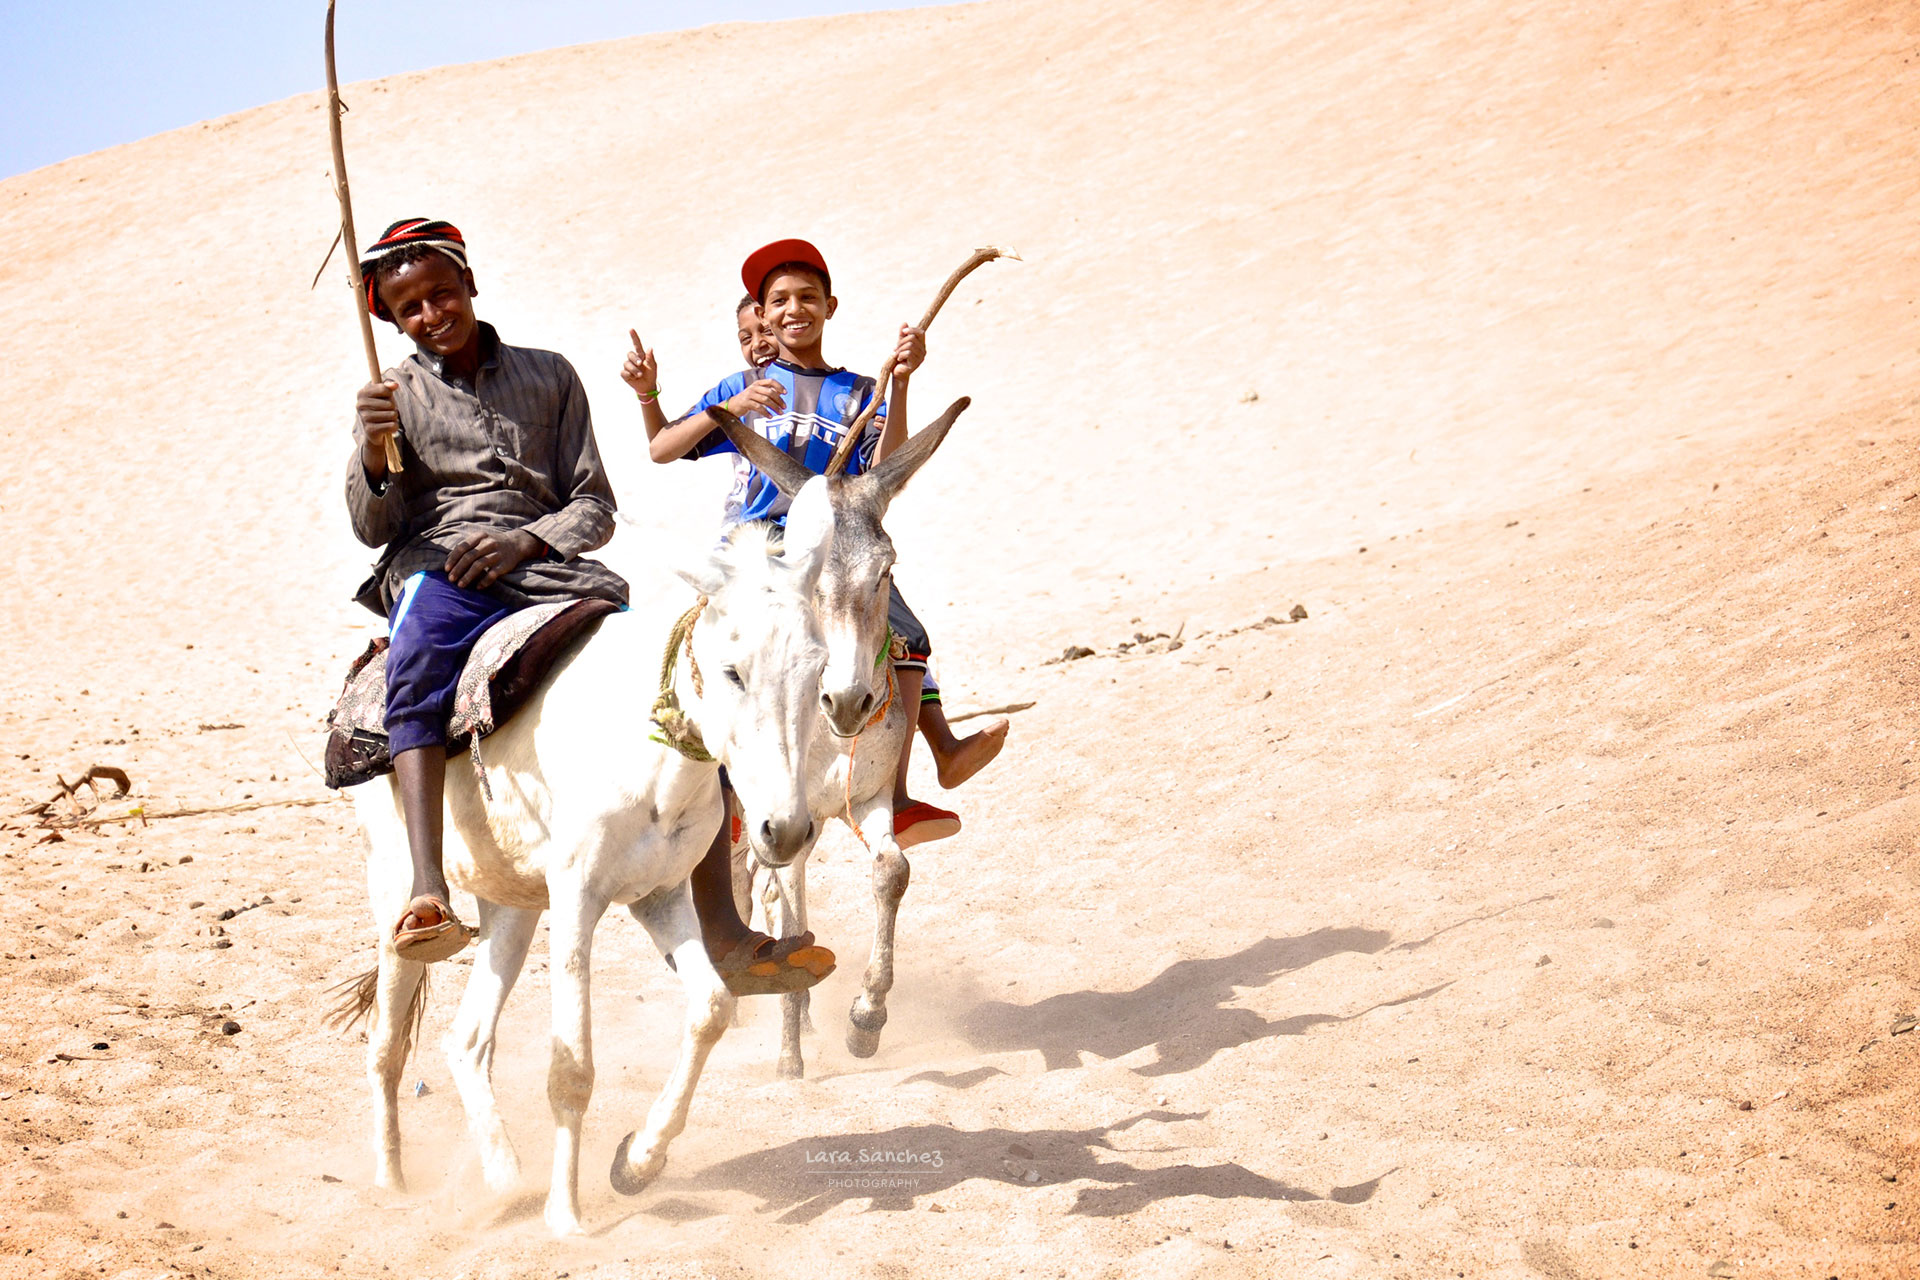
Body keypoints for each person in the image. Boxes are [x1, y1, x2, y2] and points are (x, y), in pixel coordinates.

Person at [346, 221, 829, 997]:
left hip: (548, 571)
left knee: (691, 668)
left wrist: (529, 542)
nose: (432, 313)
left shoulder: (550, 376)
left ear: (469, 285)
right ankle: (429, 887)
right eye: (411, 308)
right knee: (415, 667)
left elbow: (593, 505)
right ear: (393, 320)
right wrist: (375, 455)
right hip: (439, 573)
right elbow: (373, 526)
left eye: (442, 292)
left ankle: (724, 926)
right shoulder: (389, 396)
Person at [639, 240, 1007, 845]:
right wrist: (728, 407)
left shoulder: (860, 391)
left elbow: (891, 472)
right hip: (758, 550)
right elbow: (661, 449)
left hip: (832, 544)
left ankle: (903, 787)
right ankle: (716, 798)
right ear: (761, 312)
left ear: (830, 306)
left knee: (904, 632)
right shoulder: (743, 383)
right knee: (727, 659)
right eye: (779, 300)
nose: (794, 309)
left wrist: (904, 384)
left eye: (808, 297)